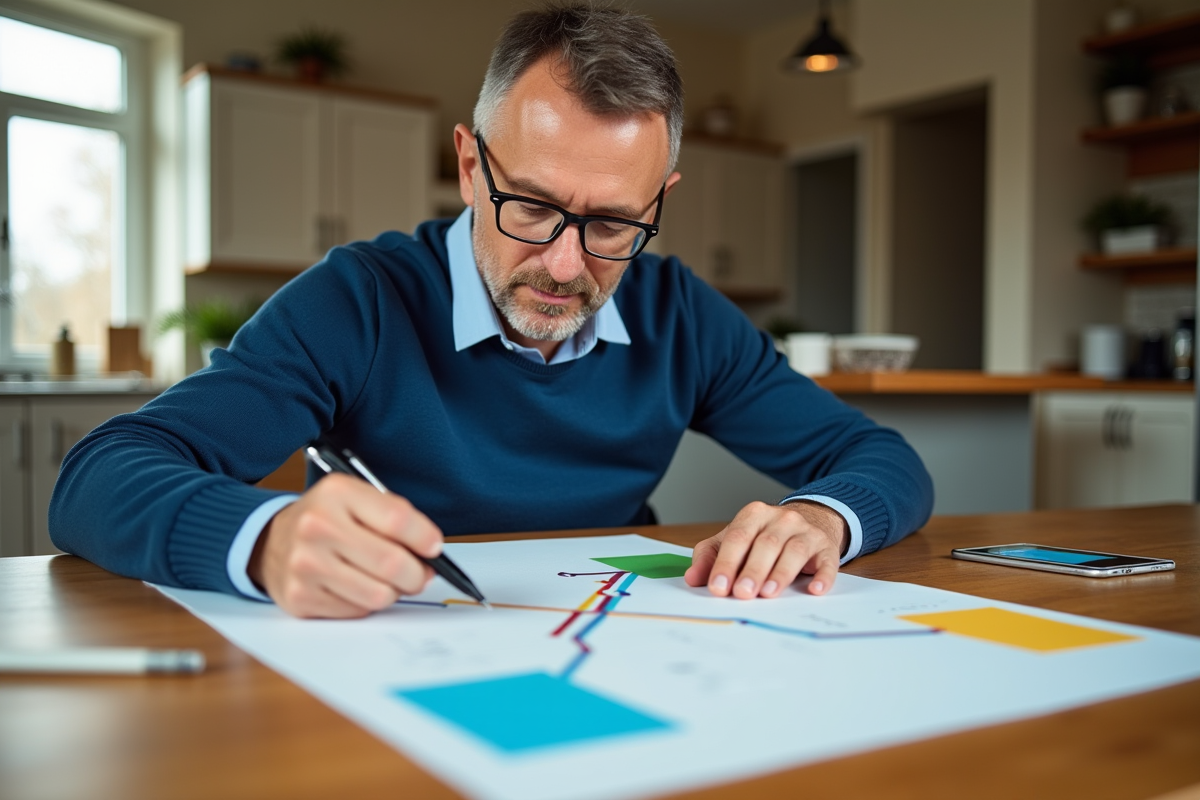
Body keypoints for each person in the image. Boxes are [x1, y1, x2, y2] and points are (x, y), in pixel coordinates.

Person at [50, 5, 933, 619]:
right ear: (470, 167)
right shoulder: (358, 301)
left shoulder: (681, 316)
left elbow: (879, 457)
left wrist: (822, 518)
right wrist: (263, 538)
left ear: (660, 201)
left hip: (624, 654)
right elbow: (98, 476)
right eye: (533, 206)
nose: (563, 262)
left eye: (614, 223)